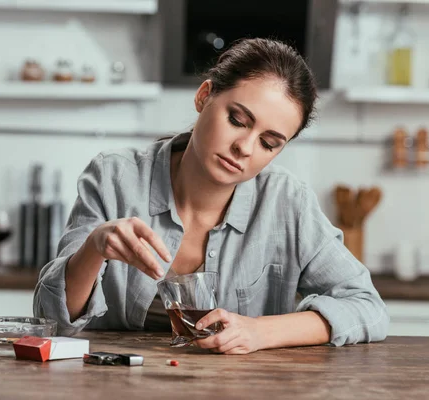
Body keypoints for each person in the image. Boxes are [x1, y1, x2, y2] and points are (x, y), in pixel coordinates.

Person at [33, 38, 389, 355]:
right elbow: (52, 318)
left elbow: (367, 308)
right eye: (237, 120)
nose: (244, 148)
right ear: (204, 96)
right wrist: (94, 248)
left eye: (269, 143)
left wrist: (260, 332)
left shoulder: (287, 202)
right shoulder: (114, 177)